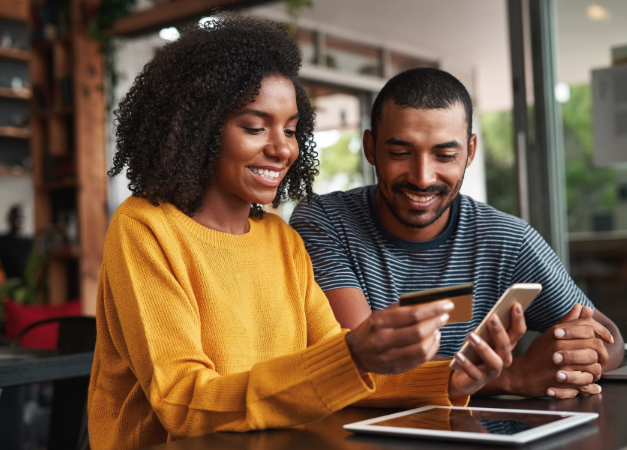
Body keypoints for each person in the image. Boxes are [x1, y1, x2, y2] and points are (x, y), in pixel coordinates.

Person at [88, 17, 525, 450]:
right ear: (198, 129)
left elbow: (339, 371)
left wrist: (450, 377)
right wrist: (352, 356)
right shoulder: (145, 228)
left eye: (292, 130)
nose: (282, 149)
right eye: (256, 127)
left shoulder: (281, 239)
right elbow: (183, 404)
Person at [290, 67, 624, 400]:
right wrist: (513, 377)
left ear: (470, 152)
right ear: (371, 148)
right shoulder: (325, 222)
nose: (422, 177)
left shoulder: (507, 239)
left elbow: (611, 340)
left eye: (445, 155)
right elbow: (359, 365)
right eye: (400, 153)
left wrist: (570, 359)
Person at [0, 205, 33, 279]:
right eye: (15, 217)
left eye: (21, 217)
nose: (18, 220)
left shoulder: (30, 243)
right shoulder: (2, 241)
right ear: (9, 218)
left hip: (26, 284)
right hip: (7, 284)